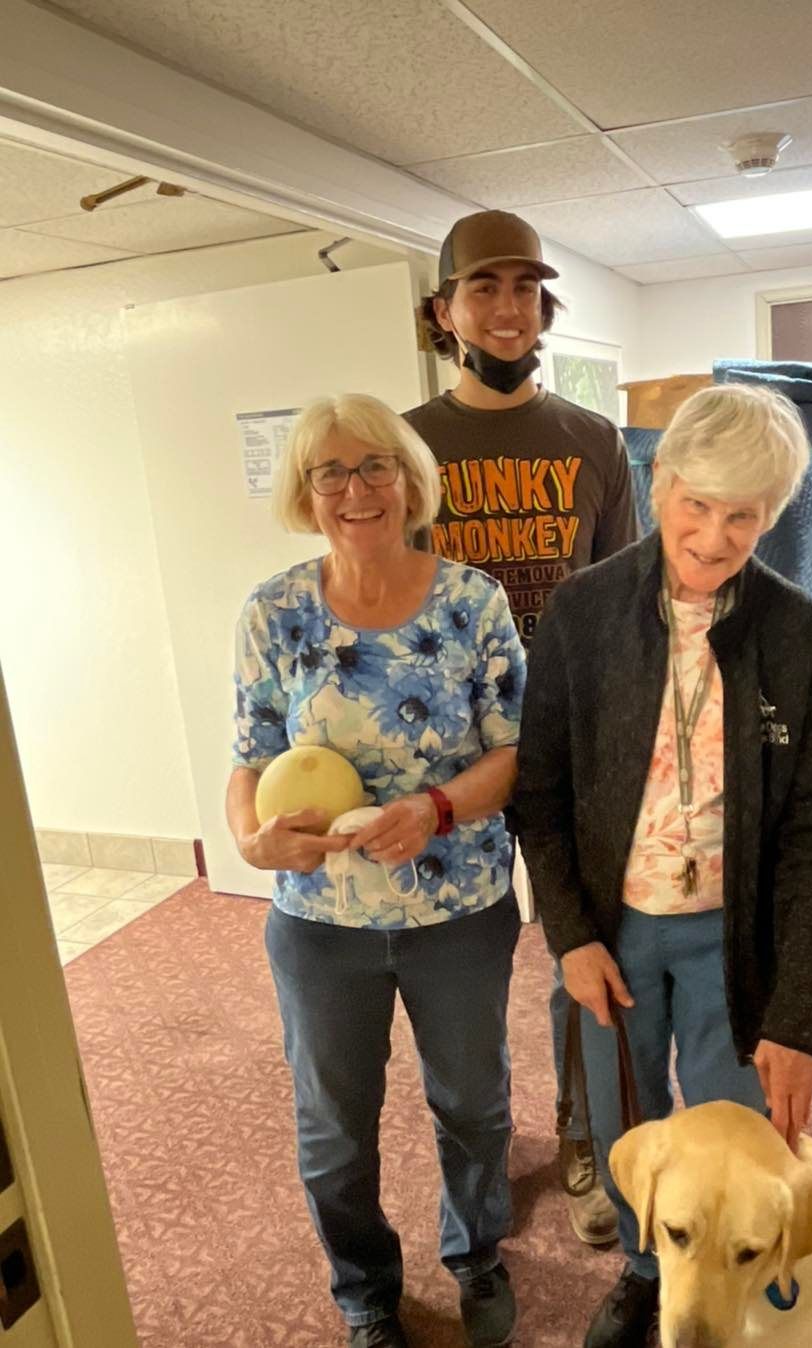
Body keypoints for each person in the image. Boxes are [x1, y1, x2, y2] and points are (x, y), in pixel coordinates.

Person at [515, 383, 812, 1348]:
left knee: (733, 1129)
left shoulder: (800, 635)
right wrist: (571, 938)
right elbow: (540, 794)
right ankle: (643, 1271)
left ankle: (735, 1282)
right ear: (658, 483)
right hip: (611, 933)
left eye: (742, 515)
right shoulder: (582, 612)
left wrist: (796, 1016)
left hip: (730, 937)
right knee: (627, 1124)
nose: (712, 536)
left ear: (772, 515)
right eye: (695, 503)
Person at [226, 394, 527, 1348]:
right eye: (331, 472)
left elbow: (515, 751)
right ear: (305, 490)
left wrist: (434, 808)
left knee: (473, 1106)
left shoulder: (473, 601)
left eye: (375, 466)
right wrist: (249, 841)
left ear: (409, 479)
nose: (356, 490)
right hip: (320, 922)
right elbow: (249, 758)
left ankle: (476, 1254)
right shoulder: (273, 612)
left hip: (459, 909)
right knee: (333, 1127)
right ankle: (364, 1291)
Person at [405, 209, 638, 1248]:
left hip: (574, 732)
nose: (507, 309)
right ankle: (482, 1137)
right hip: (450, 745)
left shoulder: (593, 441)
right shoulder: (407, 443)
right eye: (484, 288)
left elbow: (627, 600)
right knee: (462, 961)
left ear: (544, 308)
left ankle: (583, 1133)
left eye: (525, 290)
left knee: (580, 948)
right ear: (444, 310)